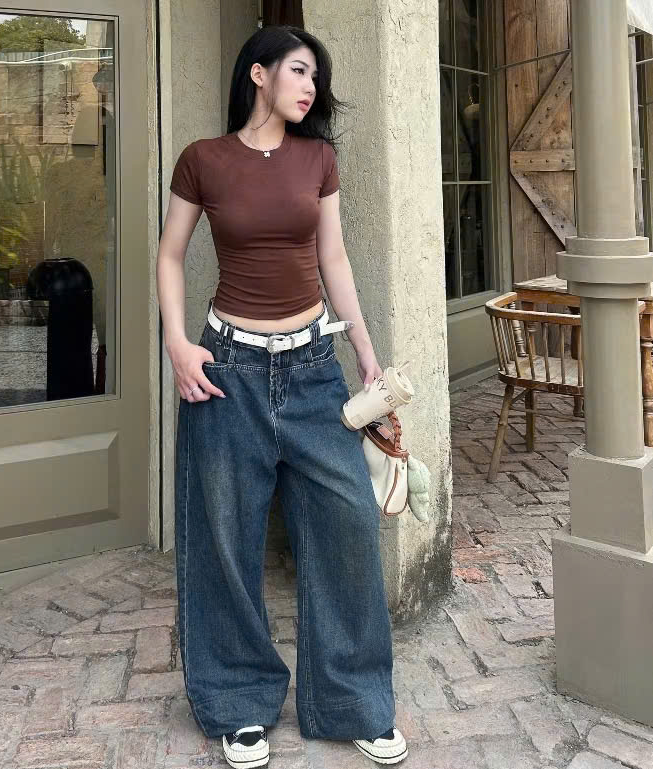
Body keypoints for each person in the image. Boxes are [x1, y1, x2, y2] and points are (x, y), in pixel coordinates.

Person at [156, 24, 408, 768]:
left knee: (347, 525)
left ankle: (352, 701)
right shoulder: (203, 159)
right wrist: (177, 343)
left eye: (316, 78)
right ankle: (237, 703)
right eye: (299, 71)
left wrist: (365, 353)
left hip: (311, 370)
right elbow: (171, 254)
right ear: (259, 74)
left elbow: (334, 257)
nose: (310, 87)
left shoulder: (317, 158)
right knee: (223, 538)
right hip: (225, 372)